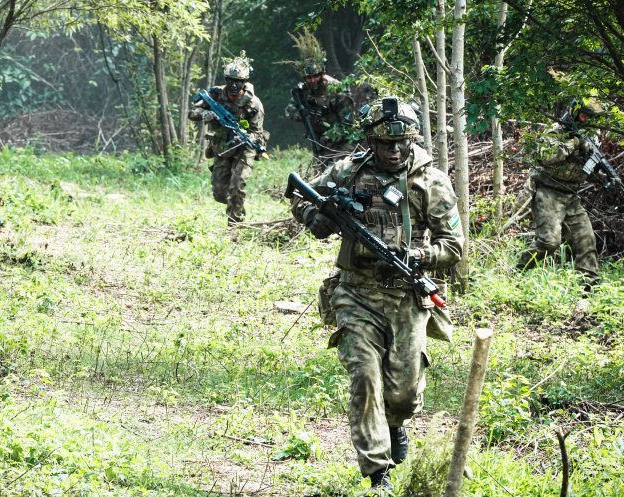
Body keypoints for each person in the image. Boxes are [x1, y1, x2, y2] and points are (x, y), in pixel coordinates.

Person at [291, 98, 464, 493]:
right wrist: (316, 216)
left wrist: (417, 255)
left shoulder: (429, 182)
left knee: (402, 394)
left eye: (402, 142)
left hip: (406, 296)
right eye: (386, 143)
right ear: (371, 140)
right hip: (357, 292)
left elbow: (453, 247)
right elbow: (301, 197)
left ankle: (396, 424)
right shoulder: (347, 172)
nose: (395, 150)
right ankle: (377, 472)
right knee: (365, 378)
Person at [516, 98, 604, 293]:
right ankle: (517, 272)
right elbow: (548, 157)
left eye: (590, 118)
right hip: (549, 192)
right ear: (574, 113)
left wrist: (602, 171)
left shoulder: (590, 136)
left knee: (586, 239)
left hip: (571, 195)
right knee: (549, 242)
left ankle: (590, 285)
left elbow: (590, 168)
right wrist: (575, 142)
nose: (585, 121)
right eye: (583, 116)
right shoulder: (556, 131)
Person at [189, 52, 267, 226]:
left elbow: (257, 132)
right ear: (225, 79)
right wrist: (204, 113)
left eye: (238, 81)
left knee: (237, 186)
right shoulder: (215, 95)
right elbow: (192, 113)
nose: (234, 85)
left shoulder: (254, 104)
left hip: (245, 148)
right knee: (219, 192)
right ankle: (237, 206)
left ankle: (235, 226)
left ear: (245, 82)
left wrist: (246, 136)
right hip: (222, 147)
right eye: (230, 80)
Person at [283, 31, 358, 173]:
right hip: (319, 141)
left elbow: (348, 123)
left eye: (316, 76)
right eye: (308, 77)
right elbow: (289, 111)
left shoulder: (337, 90)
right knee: (319, 177)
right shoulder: (302, 91)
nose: (312, 80)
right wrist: (304, 114)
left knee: (340, 173)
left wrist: (328, 136)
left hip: (343, 142)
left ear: (323, 74)